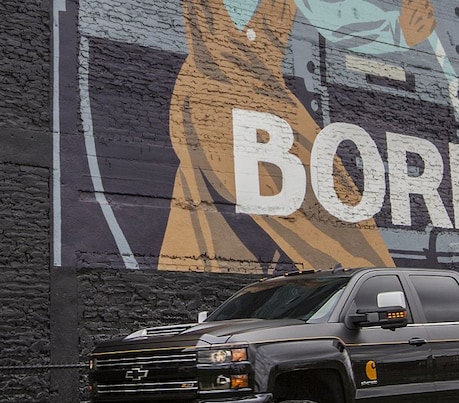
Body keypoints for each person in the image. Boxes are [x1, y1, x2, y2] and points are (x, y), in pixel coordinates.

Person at [160, 0, 438, 273]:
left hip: (259, 108)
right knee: (341, 232)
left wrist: (399, 29)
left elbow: (336, 13)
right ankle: (377, 293)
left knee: (215, 233)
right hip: (214, 108)